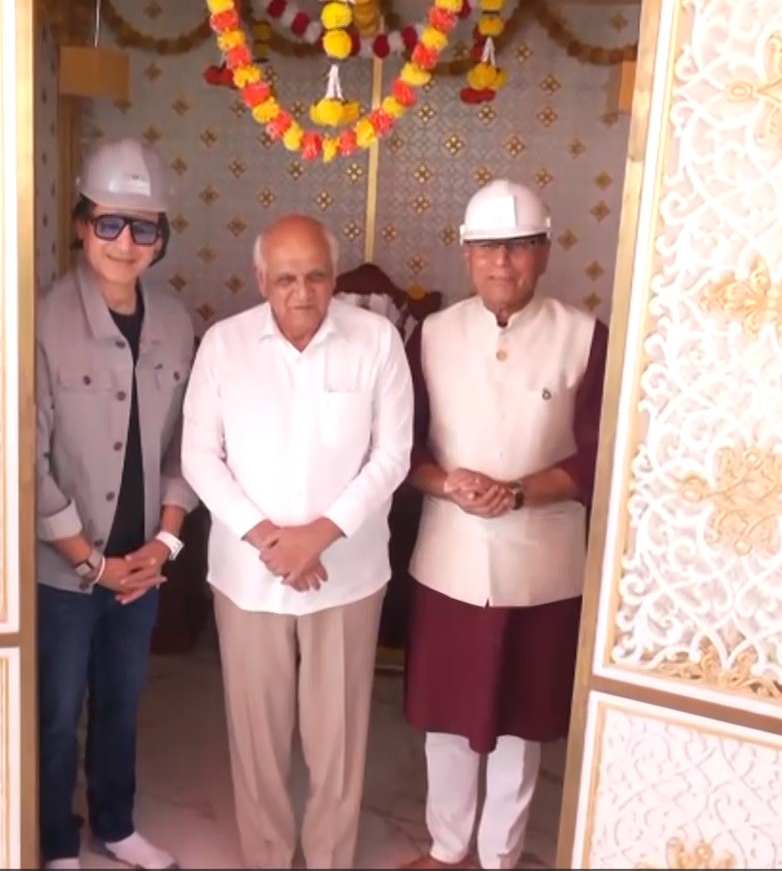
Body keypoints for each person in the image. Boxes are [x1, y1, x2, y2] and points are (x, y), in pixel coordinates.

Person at [182, 213, 413, 869]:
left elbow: (392, 456)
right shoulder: (224, 345)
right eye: (285, 278)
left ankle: (329, 857)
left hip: (347, 573)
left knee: (337, 738)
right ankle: (267, 856)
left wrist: (319, 535)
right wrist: (269, 539)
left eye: (315, 275)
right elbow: (199, 457)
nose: (302, 292)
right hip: (248, 577)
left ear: (334, 277)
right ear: (261, 280)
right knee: (256, 737)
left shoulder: (376, 341)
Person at [398, 180, 607, 870]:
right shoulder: (431, 334)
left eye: (518, 247)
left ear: (544, 252)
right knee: (445, 715)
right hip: (450, 557)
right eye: (488, 247)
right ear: (466, 253)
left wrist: (519, 493)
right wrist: (447, 483)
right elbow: (403, 446)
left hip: (541, 565)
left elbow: (597, 455)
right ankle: (446, 847)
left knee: (521, 723)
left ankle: (499, 856)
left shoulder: (584, 336)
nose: (502, 262)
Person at [33, 138, 195, 871]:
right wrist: (90, 562)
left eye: (143, 227)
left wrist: (164, 546)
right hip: (65, 568)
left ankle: (116, 823)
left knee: (123, 702)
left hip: (143, 563)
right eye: (108, 223)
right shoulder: (44, 321)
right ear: (81, 224)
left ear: (160, 236)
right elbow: (28, 461)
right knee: (58, 711)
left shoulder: (177, 323)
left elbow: (187, 446)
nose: (125, 242)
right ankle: (56, 839)